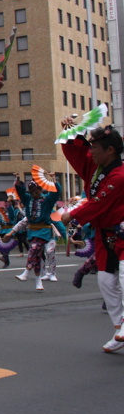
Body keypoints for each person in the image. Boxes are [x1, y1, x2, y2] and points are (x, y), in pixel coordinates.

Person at [59, 123, 124, 353]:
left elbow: (99, 203)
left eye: (95, 146)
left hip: (122, 233)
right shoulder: (96, 169)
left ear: (110, 151)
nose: (91, 150)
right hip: (105, 235)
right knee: (106, 281)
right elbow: (77, 155)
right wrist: (73, 133)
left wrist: (72, 215)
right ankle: (119, 328)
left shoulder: (120, 175)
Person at [11, 174, 62, 291]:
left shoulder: (47, 200)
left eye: (36, 190)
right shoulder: (28, 199)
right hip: (32, 231)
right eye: (32, 191)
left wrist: (53, 181)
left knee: (37, 249)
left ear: (41, 189)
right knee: (37, 256)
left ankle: (26, 271)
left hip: (44, 231)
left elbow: (56, 192)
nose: (34, 193)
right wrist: (18, 180)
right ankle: (38, 281)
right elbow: (20, 192)